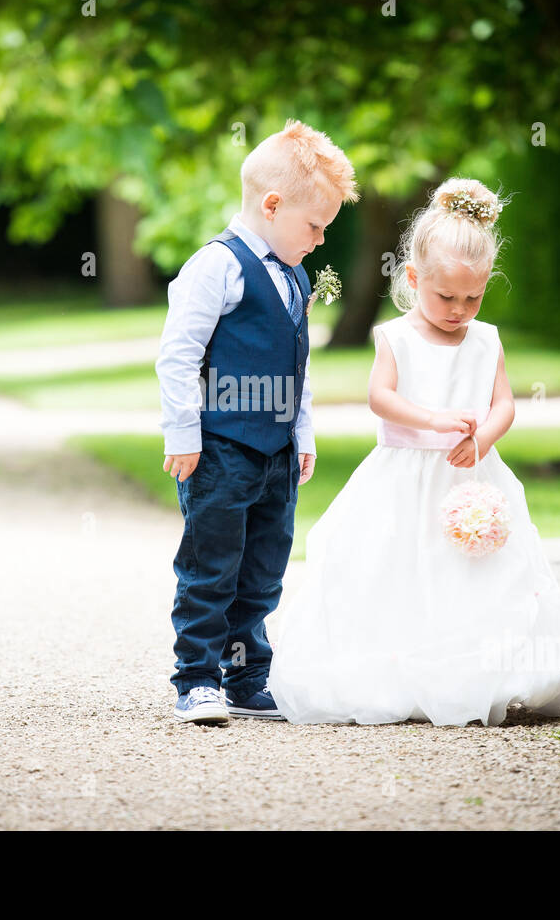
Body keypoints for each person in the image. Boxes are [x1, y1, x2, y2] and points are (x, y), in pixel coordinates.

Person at [266, 177, 560, 727]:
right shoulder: (396, 339)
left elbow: (504, 404)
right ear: (414, 278)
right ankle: (399, 673)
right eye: (446, 296)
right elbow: (380, 399)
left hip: (471, 479)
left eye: (473, 297)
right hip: (403, 475)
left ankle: (476, 672)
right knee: (399, 567)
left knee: (475, 575)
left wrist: (480, 438)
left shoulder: (485, 339)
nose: (459, 309)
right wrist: (434, 419)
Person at [156, 119, 359, 724]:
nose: (321, 241)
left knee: (263, 570)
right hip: (220, 449)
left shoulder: (294, 274)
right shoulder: (217, 266)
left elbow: (296, 364)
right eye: (316, 226)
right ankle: (196, 678)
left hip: (274, 454)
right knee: (211, 566)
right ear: (273, 204)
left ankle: (246, 678)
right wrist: (183, 434)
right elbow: (178, 355)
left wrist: (302, 434)